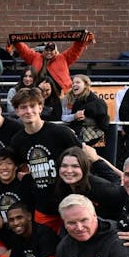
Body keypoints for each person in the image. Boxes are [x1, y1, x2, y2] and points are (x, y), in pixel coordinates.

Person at [9, 88, 80, 232]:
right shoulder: (17, 141)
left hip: (69, 202)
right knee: (45, 248)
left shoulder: (61, 133)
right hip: (42, 207)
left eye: (32, 106)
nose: (28, 111)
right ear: (16, 111)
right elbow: (18, 167)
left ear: (40, 107)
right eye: (23, 107)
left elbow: (85, 160)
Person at [9, 32, 95, 94]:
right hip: (39, 93)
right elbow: (24, 51)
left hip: (60, 93)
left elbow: (75, 50)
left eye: (51, 50)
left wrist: (81, 41)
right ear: (44, 50)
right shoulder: (36, 57)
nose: (49, 52)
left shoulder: (62, 57)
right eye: (47, 50)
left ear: (55, 51)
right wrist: (16, 41)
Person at [61, 74, 109, 147]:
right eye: (73, 83)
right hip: (72, 134)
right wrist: (75, 116)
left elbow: (103, 117)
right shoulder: (67, 99)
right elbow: (62, 117)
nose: (74, 85)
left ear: (86, 85)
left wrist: (86, 115)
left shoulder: (96, 101)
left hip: (90, 137)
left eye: (78, 82)